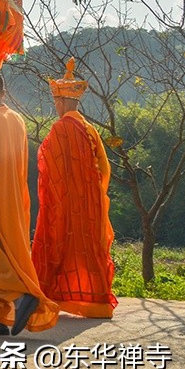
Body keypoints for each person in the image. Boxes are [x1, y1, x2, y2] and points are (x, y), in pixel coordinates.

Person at [0, 71, 59, 336]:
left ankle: (19, 297)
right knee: (8, 256)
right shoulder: (17, 120)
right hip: (14, 200)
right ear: (3, 93)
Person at [32, 59, 118, 319]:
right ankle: (97, 301)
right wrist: (93, 194)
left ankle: (56, 297)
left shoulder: (61, 128)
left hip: (66, 203)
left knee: (59, 247)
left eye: (55, 103)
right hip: (90, 204)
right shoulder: (89, 129)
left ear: (60, 102)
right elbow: (104, 169)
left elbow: (47, 162)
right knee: (89, 250)